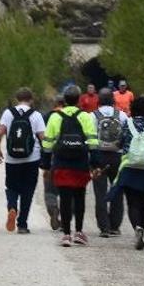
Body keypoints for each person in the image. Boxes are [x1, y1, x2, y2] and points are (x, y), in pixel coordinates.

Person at [107, 95, 144, 250]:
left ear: (133, 109)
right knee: (143, 203)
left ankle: (137, 229)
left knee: (132, 203)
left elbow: (119, 143)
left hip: (129, 168)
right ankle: (142, 226)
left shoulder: (127, 123)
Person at [41, 85, 99, 247]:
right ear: (79, 99)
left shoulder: (55, 117)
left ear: (65, 100)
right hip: (81, 164)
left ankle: (66, 234)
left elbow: (47, 143)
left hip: (61, 163)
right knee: (79, 197)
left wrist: (45, 165)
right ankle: (79, 232)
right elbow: (93, 142)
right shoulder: (86, 117)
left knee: (64, 198)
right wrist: (95, 164)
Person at [0, 87, 47, 234]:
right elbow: (43, 137)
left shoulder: (8, 113)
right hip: (32, 158)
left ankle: (12, 207)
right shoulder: (36, 115)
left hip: (12, 159)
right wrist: (48, 155)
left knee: (11, 187)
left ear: (17, 98)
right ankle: (22, 224)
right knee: (28, 190)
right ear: (31, 99)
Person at [90, 87, 127, 237]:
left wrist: (91, 161)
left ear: (98, 100)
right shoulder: (122, 116)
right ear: (113, 100)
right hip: (117, 157)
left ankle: (103, 227)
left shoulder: (92, 116)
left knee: (100, 193)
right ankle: (115, 226)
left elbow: (90, 138)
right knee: (117, 190)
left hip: (99, 157)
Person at [40, 94, 64, 231]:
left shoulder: (47, 117)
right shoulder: (72, 116)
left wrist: (45, 164)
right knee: (68, 190)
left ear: (54, 104)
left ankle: (53, 210)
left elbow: (44, 139)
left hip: (52, 157)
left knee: (50, 190)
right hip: (68, 158)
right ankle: (66, 218)